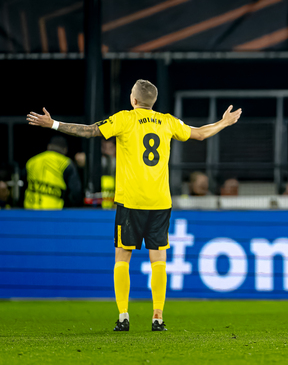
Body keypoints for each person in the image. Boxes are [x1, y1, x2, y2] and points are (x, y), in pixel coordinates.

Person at [27, 79, 242, 332]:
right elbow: (200, 133)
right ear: (153, 101)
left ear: (134, 100)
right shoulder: (167, 121)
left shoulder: (125, 119)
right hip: (160, 201)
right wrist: (224, 123)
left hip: (130, 201)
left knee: (122, 257)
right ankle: (158, 317)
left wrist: (52, 123)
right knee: (159, 259)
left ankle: (123, 315)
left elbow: (90, 131)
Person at [23, 135, 82, 209]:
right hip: (53, 212)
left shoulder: (32, 161)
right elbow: (75, 193)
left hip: (29, 210)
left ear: (49, 146)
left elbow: (22, 185)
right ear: (65, 150)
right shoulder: (66, 163)